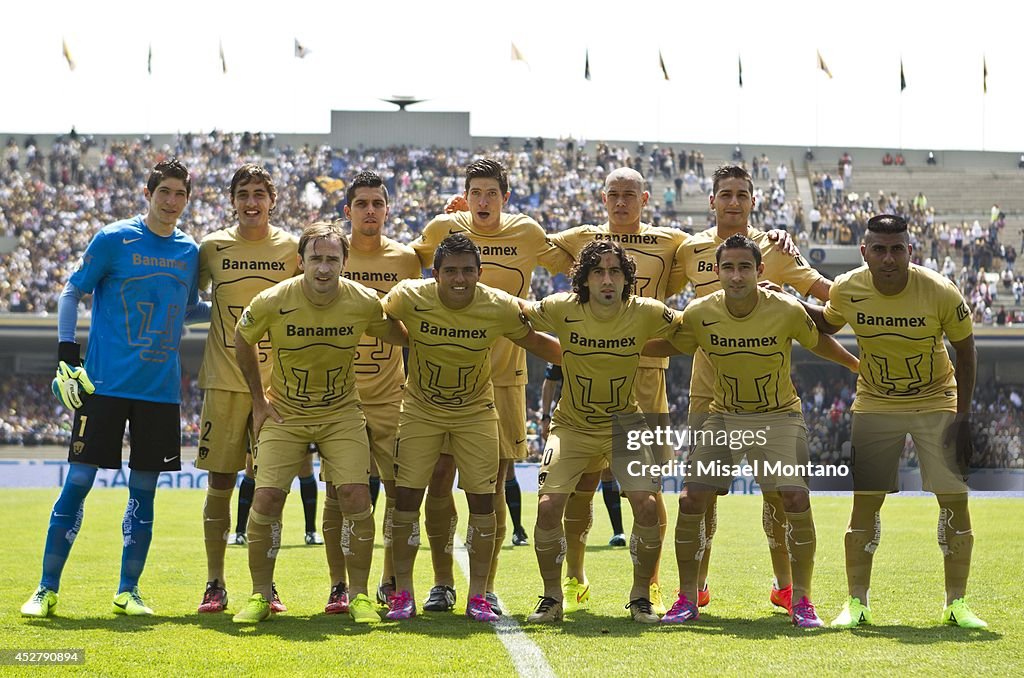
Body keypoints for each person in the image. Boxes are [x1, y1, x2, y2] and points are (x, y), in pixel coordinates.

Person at [645, 234, 857, 628]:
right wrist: (619, 345)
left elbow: (819, 341)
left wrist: (855, 366)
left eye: (745, 267)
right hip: (724, 417)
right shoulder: (700, 312)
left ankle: (803, 600)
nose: (736, 275)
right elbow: (671, 345)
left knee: (794, 498)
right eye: (728, 267)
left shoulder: (786, 309)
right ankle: (687, 599)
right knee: (691, 500)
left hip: (779, 416)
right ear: (718, 271)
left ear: (760, 271)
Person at [22, 159, 200, 618]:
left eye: (181, 193)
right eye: (165, 191)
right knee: (78, 482)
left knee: (144, 492)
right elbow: (70, 291)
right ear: (148, 192)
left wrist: (236, 303)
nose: (172, 201)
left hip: (160, 392)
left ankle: (128, 591)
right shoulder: (113, 238)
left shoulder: (189, 251)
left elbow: (191, 307)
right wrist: (66, 354)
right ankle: (45, 590)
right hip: (103, 387)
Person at [803, 214, 986, 629]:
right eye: (880, 249)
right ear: (864, 251)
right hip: (875, 401)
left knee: (954, 498)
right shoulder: (849, 287)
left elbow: (967, 350)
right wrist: (786, 301)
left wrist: (964, 416)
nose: (889, 258)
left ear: (910, 251)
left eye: (897, 249)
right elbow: (828, 321)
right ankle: (856, 603)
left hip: (936, 398)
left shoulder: (940, 291)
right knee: (866, 500)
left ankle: (956, 604)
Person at [410, 159, 570, 615]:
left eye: (491, 193)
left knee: (492, 488)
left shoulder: (527, 233)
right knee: (438, 481)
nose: (483, 201)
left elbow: (575, 261)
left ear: (505, 197)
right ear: (465, 194)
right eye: (475, 192)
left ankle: (487, 585)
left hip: (504, 378)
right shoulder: (444, 227)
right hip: (442, 377)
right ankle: (442, 582)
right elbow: (402, 259)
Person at [229, 222, 407, 624]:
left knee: (355, 497)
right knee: (266, 498)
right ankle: (260, 595)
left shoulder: (362, 301)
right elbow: (243, 338)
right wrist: (258, 402)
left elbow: (403, 336)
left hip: (341, 414)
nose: (324, 268)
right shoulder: (274, 299)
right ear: (300, 261)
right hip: (285, 413)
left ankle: (359, 596)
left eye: (332, 259)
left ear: (344, 263)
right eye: (316, 259)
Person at [674, 164, 832, 615]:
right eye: (725, 194)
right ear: (712, 200)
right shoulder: (690, 250)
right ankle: (695, 588)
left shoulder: (776, 247)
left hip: (766, 394)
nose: (734, 202)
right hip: (708, 392)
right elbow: (649, 290)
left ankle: (787, 587)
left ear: (753, 201)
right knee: (701, 494)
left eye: (742, 194)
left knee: (777, 493)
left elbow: (822, 290)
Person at [381, 233, 561, 623]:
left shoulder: (497, 304)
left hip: (476, 412)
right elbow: (379, 318)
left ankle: (479, 594)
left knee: (483, 500)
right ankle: (404, 593)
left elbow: (534, 339)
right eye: (450, 271)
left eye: (467, 271)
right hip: (420, 410)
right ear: (435, 273)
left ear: (480, 273)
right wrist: (404, 337)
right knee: (407, 499)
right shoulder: (409, 296)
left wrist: (589, 356)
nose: (459, 279)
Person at [521, 241, 678, 624]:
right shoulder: (561, 308)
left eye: (615, 272)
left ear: (626, 280)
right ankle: (552, 597)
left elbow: (689, 327)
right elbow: (519, 314)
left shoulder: (646, 312)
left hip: (625, 425)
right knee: (547, 508)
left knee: (646, 504)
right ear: (585, 280)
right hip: (572, 425)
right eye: (598, 272)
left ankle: (641, 596)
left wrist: (642, 346)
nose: (607, 280)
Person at [194, 164, 303, 615]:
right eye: (244, 193)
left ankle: (266, 585)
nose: (252, 201)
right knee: (221, 481)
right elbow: (193, 298)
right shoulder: (212, 247)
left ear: (272, 199)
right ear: (232, 200)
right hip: (223, 382)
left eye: (260, 192)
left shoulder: (291, 248)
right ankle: (215, 582)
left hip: (275, 390)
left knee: (269, 487)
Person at [333, 171, 421, 611]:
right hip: (339, 397)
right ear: (347, 211)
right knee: (339, 493)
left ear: (387, 210)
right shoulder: (329, 256)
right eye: (361, 204)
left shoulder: (407, 261)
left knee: (398, 490)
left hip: (391, 397)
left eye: (377, 204)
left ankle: (390, 580)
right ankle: (339, 584)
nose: (370, 211)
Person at [540, 362, 626, 548]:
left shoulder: (617, 337)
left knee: (608, 474)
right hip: (573, 423)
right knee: (580, 482)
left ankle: (618, 531)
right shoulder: (566, 338)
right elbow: (550, 380)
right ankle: (573, 548)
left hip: (611, 418)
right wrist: (545, 416)